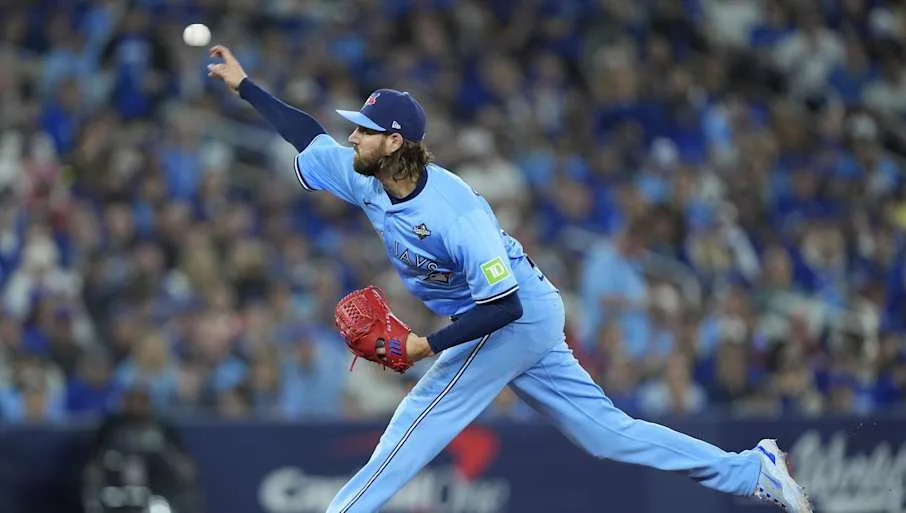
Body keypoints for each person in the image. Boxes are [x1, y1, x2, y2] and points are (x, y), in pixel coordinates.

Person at [206, 45, 812, 513]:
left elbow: (502, 306)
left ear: (395, 142)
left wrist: (424, 345)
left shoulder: (457, 211)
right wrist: (245, 87)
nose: (352, 136)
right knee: (607, 436)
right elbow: (306, 134)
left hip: (512, 315)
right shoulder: (365, 175)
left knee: (419, 420)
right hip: (521, 314)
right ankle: (754, 471)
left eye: (363, 129)